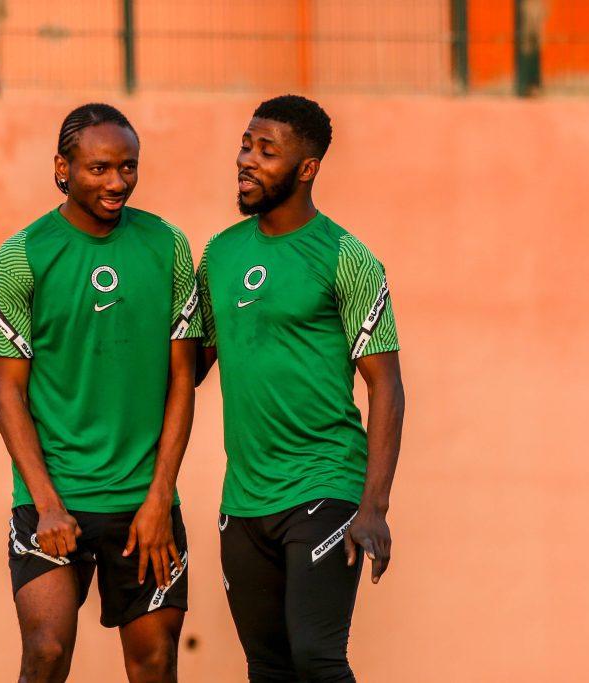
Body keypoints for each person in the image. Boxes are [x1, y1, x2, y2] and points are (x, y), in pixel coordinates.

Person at [0, 103, 201, 683]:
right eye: (100, 168)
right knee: (47, 652)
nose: (117, 182)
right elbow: (7, 390)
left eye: (128, 167)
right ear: (62, 168)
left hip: (144, 503)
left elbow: (184, 377)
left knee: (154, 662)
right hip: (52, 497)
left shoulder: (168, 245)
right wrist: (47, 502)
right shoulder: (21, 256)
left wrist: (160, 498)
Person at [196, 95, 405, 682]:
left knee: (316, 658)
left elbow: (386, 386)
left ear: (306, 168)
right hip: (243, 499)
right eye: (246, 145)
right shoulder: (219, 254)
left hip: (324, 486)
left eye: (267, 151)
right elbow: (189, 371)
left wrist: (374, 507)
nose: (247, 160)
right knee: (268, 667)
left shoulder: (347, 257)